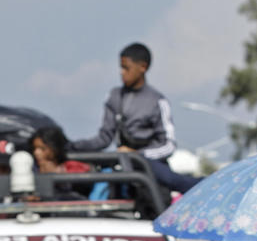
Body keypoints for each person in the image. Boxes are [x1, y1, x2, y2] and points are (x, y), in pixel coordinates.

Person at [68, 42, 197, 195]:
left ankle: (202, 185)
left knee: (174, 181)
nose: (121, 72)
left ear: (143, 67)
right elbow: (104, 139)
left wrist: (138, 155)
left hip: (150, 165)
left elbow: (168, 145)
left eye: (126, 68)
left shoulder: (157, 101)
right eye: (120, 68)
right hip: (123, 162)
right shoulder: (114, 96)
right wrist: (72, 146)